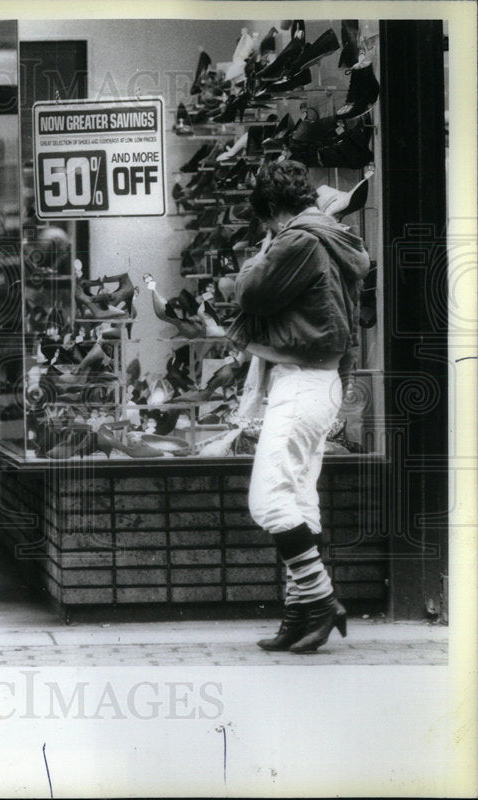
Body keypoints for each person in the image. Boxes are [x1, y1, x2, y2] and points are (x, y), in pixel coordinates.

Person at [227, 159, 370, 653]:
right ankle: (299, 616)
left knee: (267, 500)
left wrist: (264, 245)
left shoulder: (297, 240)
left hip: (301, 382)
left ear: (270, 209)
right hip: (322, 381)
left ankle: (320, 600)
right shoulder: (331, 237)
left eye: (263, 220)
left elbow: (248, 292)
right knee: (298, 498)